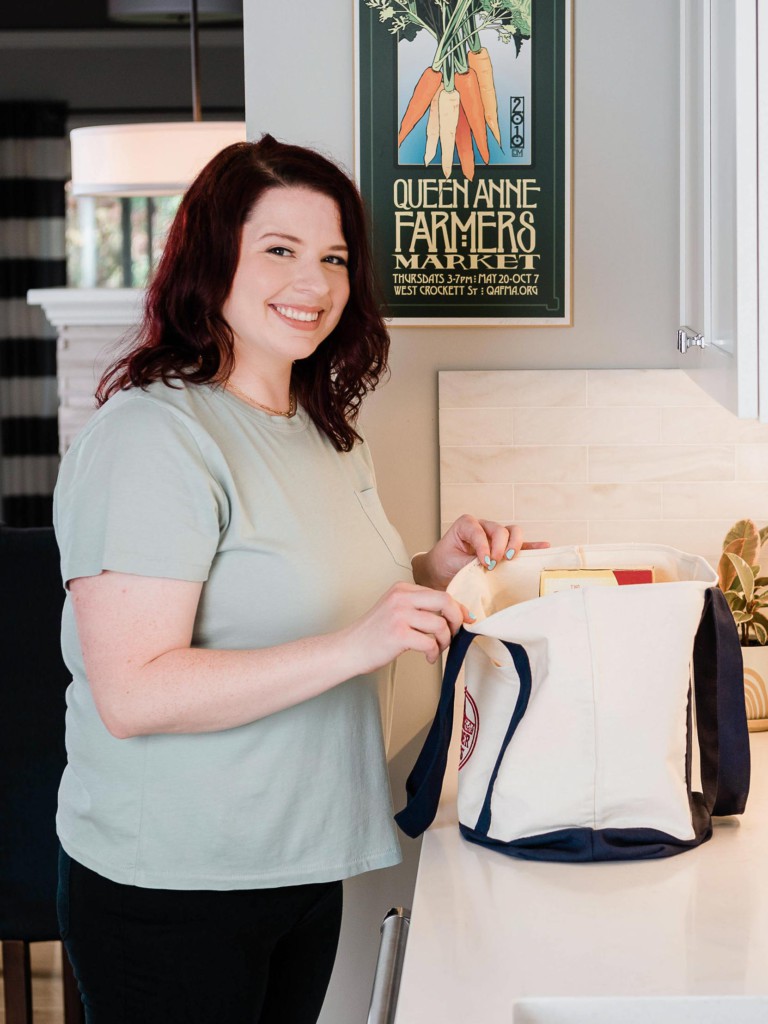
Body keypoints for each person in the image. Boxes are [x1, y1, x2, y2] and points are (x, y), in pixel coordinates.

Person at [53, 134, 542, 1024]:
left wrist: (436, 569)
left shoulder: (323, 431)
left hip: (302, 862)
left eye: (334, 259)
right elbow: (133, 690)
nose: (311, 285)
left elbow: (300, 600)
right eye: (279, 250)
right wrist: (358, 645)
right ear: (213, 261)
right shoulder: (152, 441)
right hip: (176, 883)